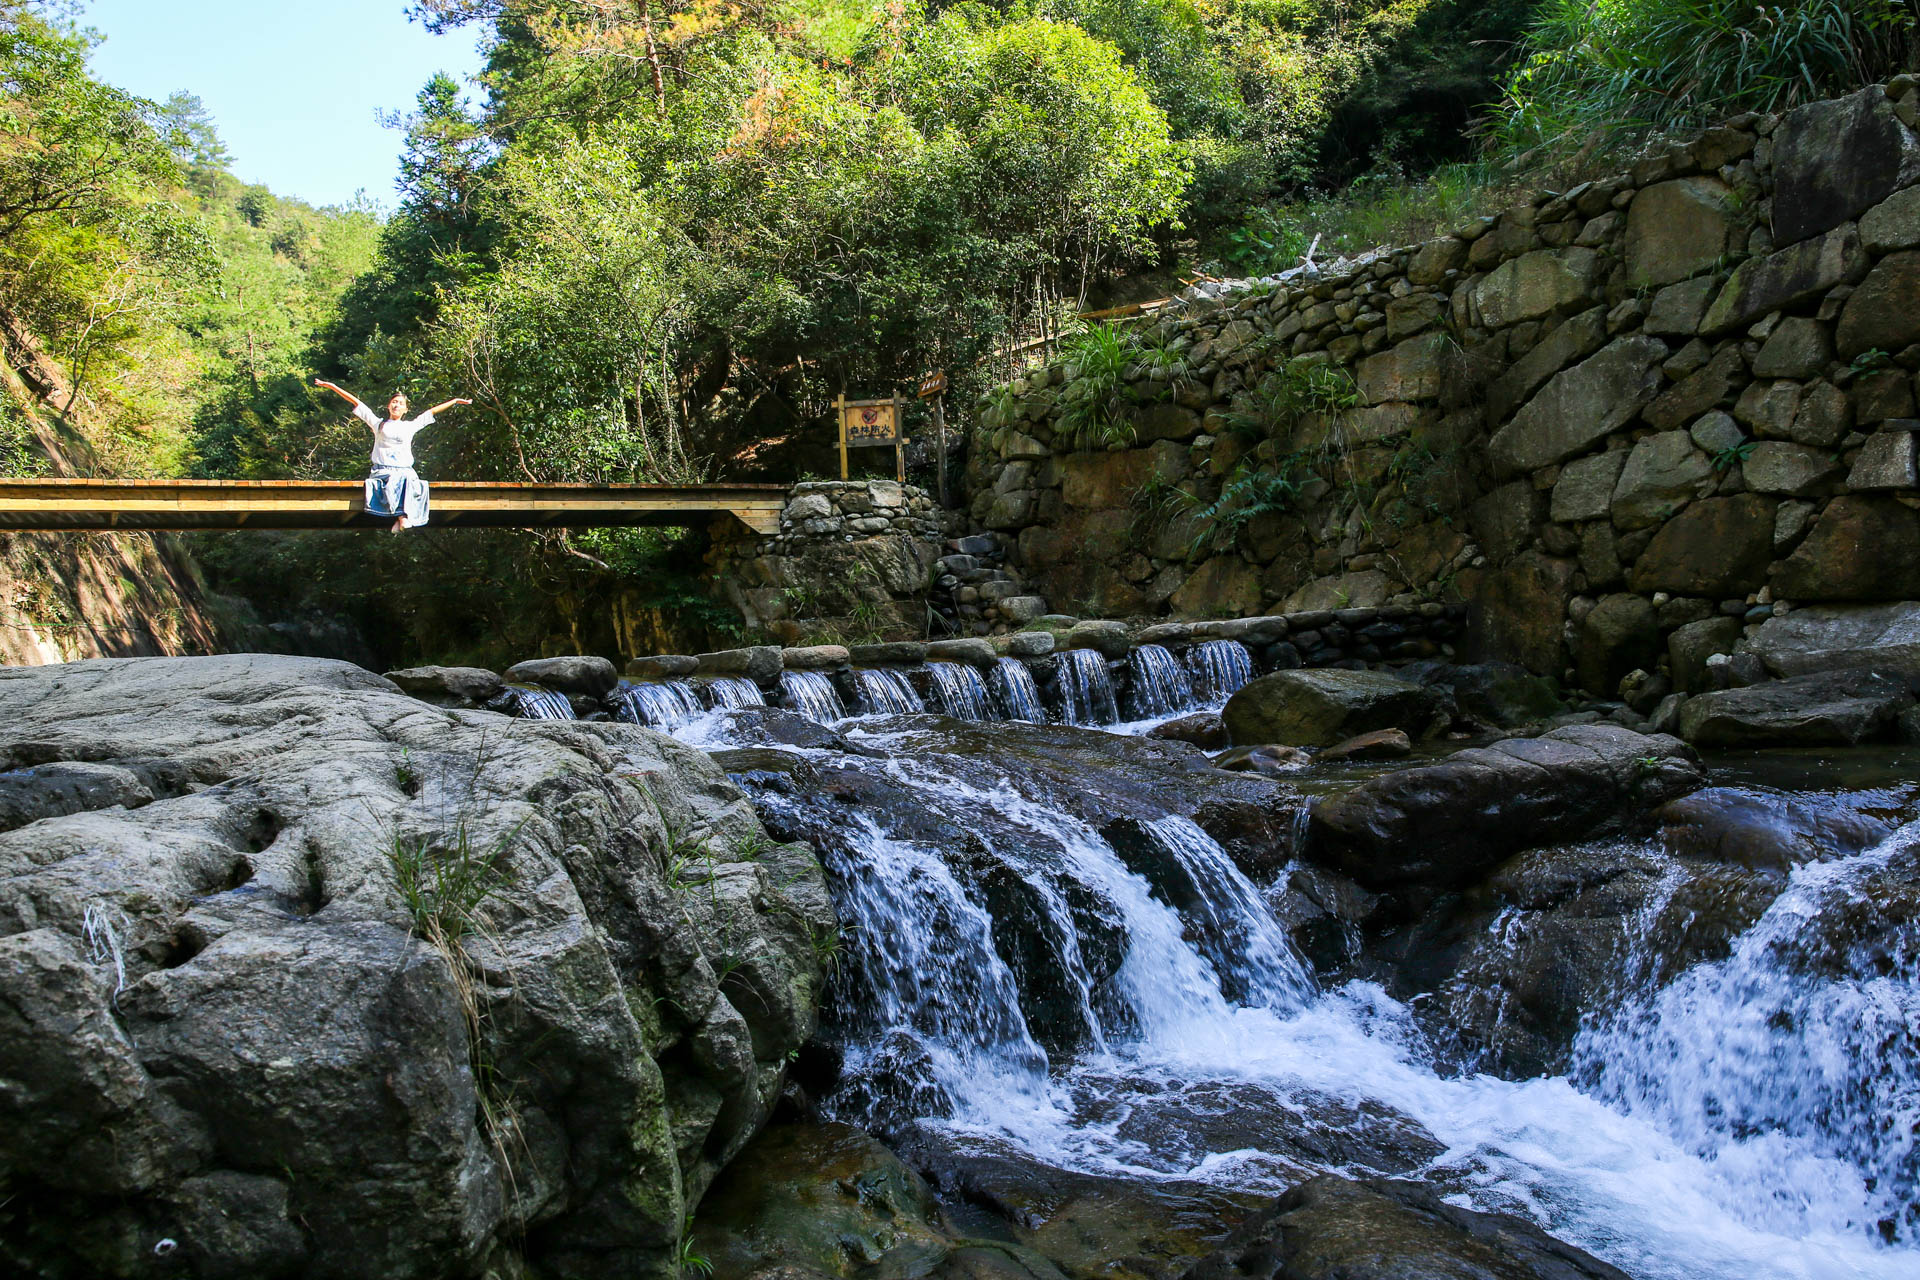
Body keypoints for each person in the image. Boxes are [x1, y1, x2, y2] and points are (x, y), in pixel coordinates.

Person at [313, 380, 471, 532]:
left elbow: (432, 411)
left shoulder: (410, 426)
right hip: (383, 471)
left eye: (401, 403)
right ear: (389, 405)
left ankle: (400, 519)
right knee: (398, 479)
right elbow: (357, 403)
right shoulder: (379, 424)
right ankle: (402, 518)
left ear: (406, 410)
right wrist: (332, 386)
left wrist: (455, 401)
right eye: (394, 402)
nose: (397, 405)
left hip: (405, 471)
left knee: (414, 482)